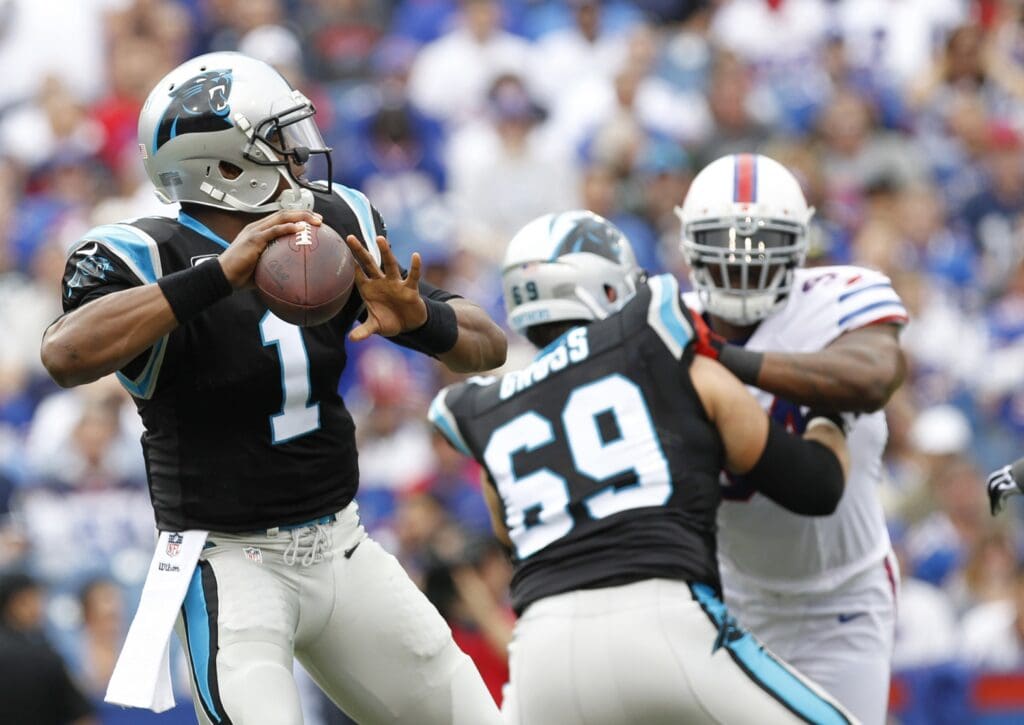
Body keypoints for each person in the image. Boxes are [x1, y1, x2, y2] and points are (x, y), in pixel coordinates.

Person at [39, 52, 507, 725]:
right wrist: (217, 276)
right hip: (230, 564)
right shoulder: (143, 253)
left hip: (344, 548)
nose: (298, 155)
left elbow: (486, 343)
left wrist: (422, 319)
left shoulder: (330, 217)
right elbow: (65, 352)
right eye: (277, 139)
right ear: (223, 166)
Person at [429, 210, 858, 724]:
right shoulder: (662, 352)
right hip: (664, 622)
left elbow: (512, 544)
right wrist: (834, 413)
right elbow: (815, 486)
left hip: (542, 652)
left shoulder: (489, 409)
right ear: (610, 287)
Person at [676, 153, 908, 725]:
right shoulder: (669, 315)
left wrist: (725, 359)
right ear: (690, 246)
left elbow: (875, 376)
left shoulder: (839, 295)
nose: (741, 259)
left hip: (843, 599)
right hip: (729, 593)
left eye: (760, 245)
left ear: (800, 245)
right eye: (723, 243)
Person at [0, 572, 96, 725]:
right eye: (34, 600)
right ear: (17, 603)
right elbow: (83, 718)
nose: (39, 608)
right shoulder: (44, 657)